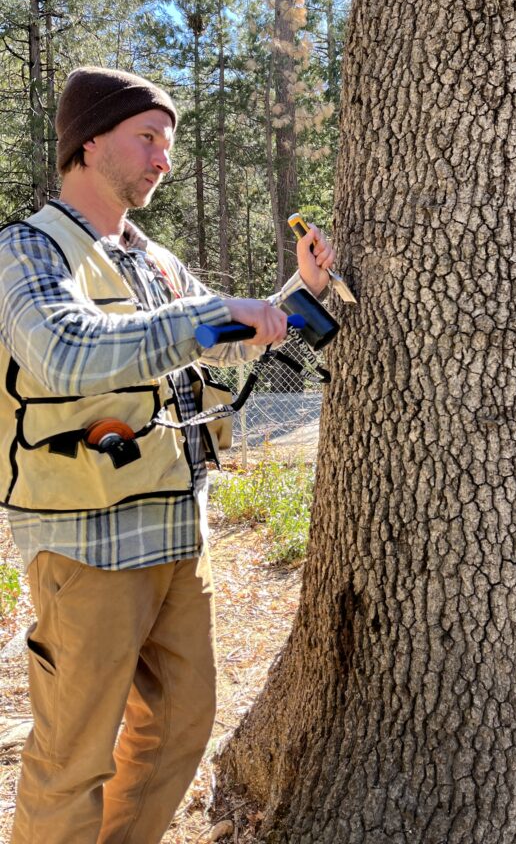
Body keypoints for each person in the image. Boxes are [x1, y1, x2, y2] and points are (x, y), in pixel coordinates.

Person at [0, 66, 336, 844]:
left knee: (179, 730)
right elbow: (66, 353)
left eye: (170, 143)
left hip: (181, 538)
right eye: (147, 138)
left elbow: (220, 336)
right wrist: (213, 317)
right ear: (88, 141)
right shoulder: (27, 251)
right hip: (85, 544)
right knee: (73, 756)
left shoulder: (153, 262)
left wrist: (295, 292)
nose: (164, 159)